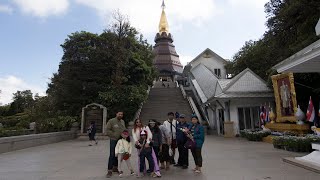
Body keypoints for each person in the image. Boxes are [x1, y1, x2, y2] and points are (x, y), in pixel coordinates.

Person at [106, 111, 126, 178]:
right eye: (119, 114)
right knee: (112, 154)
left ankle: (115, 167)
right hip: (113, 140)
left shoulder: (122, 121)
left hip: (121, 141)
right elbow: (108, 130)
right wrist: (114, 135)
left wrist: (125, 136)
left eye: (121, 114)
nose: (120, 115)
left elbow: (124, 130)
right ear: (116, 114)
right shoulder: (111, 121)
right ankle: (109, 170)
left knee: (118, 154)